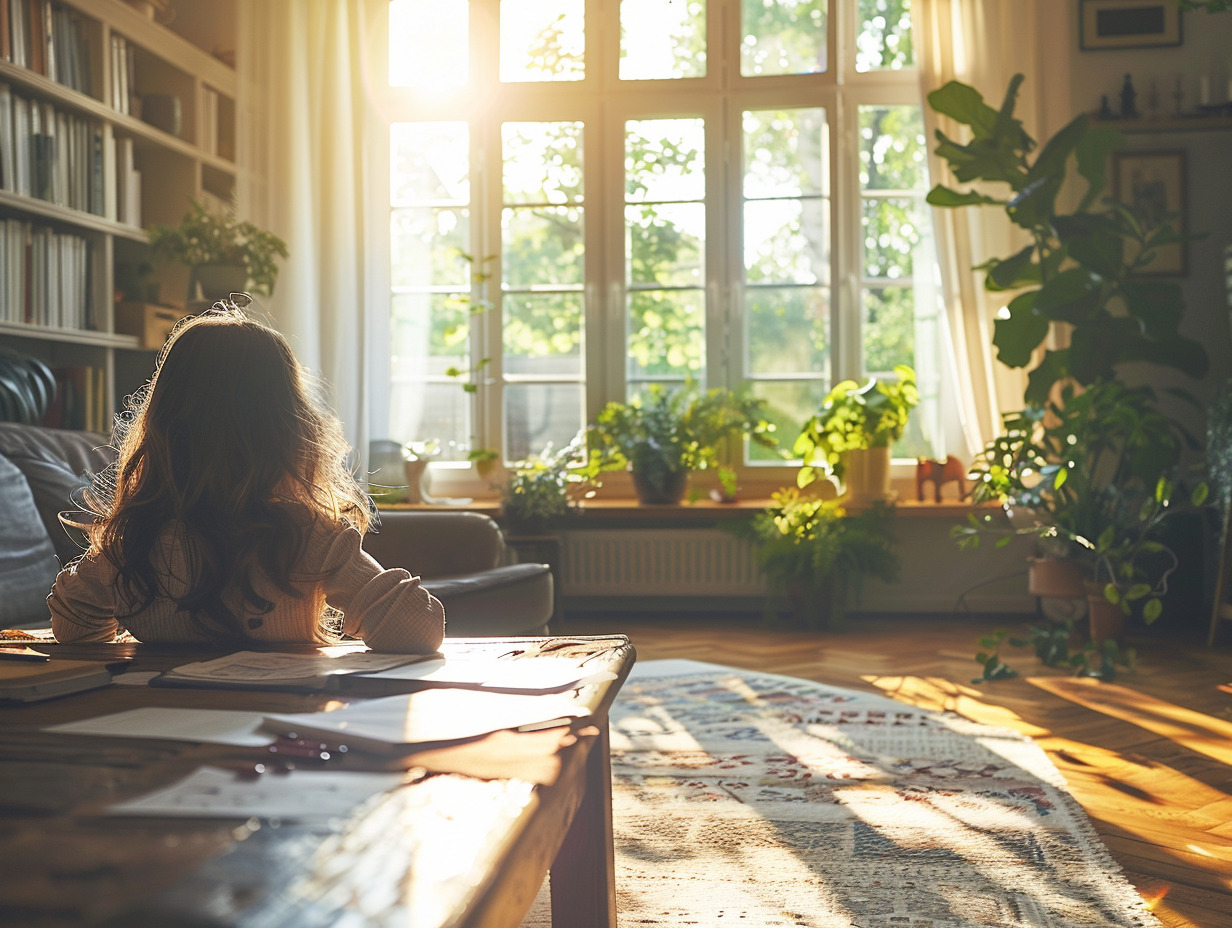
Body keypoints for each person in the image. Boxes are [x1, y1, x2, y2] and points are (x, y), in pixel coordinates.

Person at [48, 298, 445, 654]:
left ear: (160, 429)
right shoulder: (307, 534)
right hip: (281, 718)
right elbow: (418, 630)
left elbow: (72, 627)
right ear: (294, 431)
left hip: (165, 718)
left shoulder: (132, 540)